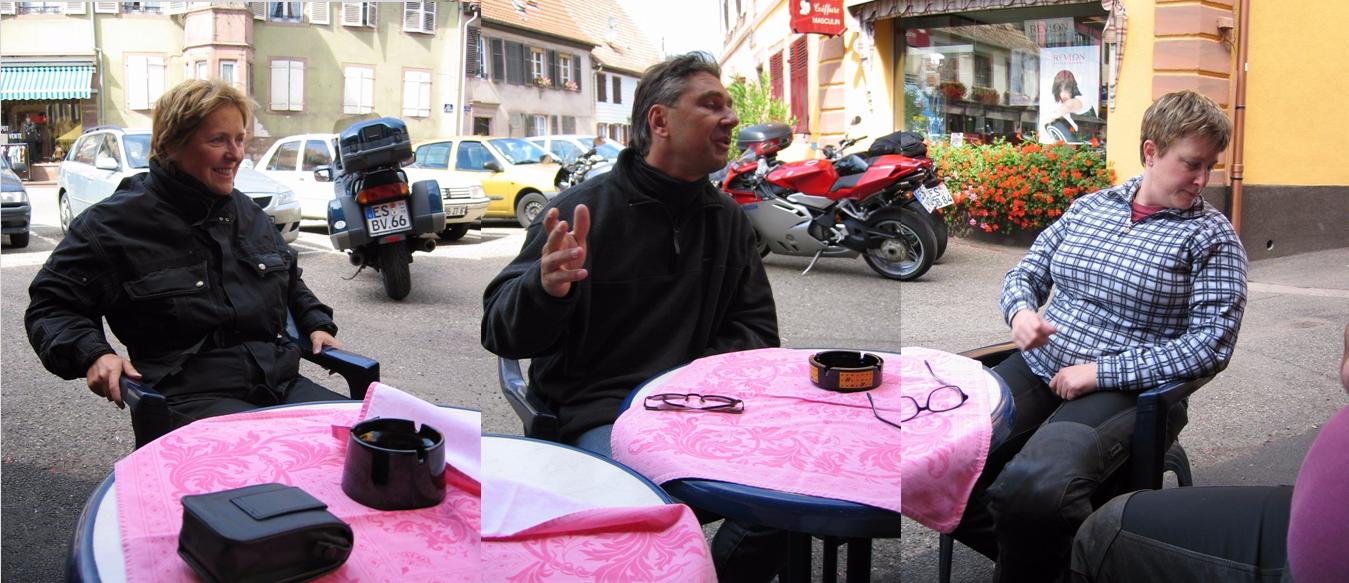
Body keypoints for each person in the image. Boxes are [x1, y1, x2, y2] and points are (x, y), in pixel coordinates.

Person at [481, 52, 782, 581]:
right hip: (599, 418)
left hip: (700, 412)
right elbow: (500, 331)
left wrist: (687, 386)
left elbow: (758, 331)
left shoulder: (728, 221)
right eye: (711, 105)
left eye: (729, 105)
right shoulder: (581, 212)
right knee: (646, 514)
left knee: (788, 497)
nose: (732, 118)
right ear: (660, 121)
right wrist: (545, 288)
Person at [948, 90, 1249, 583]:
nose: (1202, 180)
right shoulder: (1090, 208)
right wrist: (1020, 312)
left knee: (1033, 490)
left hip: (1127, 392)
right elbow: (1026, 273)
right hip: (1040, 365)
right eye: (1191, 164)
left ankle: (1042, 557)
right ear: (1151, 151)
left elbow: (1212, 343)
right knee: (942, 458)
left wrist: (1102, 372)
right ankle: (1071, 564)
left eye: (1210, 167)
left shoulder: (1211, 237)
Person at [26, 79, 347, 428]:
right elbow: (51, 306)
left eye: (239, 139)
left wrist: (315, 322)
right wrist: (93, 353)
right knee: (275, 457)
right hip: (187, 402)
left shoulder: (248, 214)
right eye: (218, 140)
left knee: (372, 439)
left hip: (281, 388)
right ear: (171, 144)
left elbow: (288, 279)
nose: (236, 154)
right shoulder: (112, 226)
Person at [1071, 321, 1349, 583]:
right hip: (1310, 513)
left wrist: (1104, 372)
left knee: (1104, 530)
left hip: (1314, 555)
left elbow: (1211, 343)